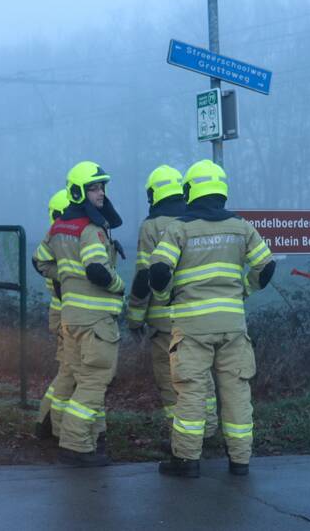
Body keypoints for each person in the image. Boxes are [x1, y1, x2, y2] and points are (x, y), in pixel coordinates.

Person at [148, 160, 275, 478]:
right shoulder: (241, 227)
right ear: (221, 189)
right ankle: (240, 461)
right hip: (232, 325)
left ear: (190, 190)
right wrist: (245, 290)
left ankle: (187, 461)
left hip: (192, 327)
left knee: (191, 392)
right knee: (236, 392)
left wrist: (165, 299)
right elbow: (267, 266)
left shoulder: (179, 228)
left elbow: (160, 270)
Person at [34, 161, 124, 466]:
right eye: (94, 188)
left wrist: (66, 278)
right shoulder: (90, 230)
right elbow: (97, 269)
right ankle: (75, 445)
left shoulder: (59, 228)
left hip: (71, 319)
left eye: (102, 187)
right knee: (94, 382)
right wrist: (118, 284)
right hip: (96, 321)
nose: (100, 193)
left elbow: (40, 261)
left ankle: (85, 437)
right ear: (78, 192)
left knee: (75, 378)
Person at [125, 165, 218, 448]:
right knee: (202, 376)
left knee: (172, 381)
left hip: (165, 321)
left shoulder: (151, 226)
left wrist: (134, 317)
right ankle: (209, 431)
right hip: (201, 316)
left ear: (154, 193)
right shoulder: (197, 219)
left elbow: (145, 275)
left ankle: (181, 439)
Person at [33, 189, 74, 442]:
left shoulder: (55, 243)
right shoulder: (61, 245)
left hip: (62, 316)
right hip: (66, 318)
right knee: (69, 373)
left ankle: (46, 422)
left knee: (67, 372)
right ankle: (48, 425)